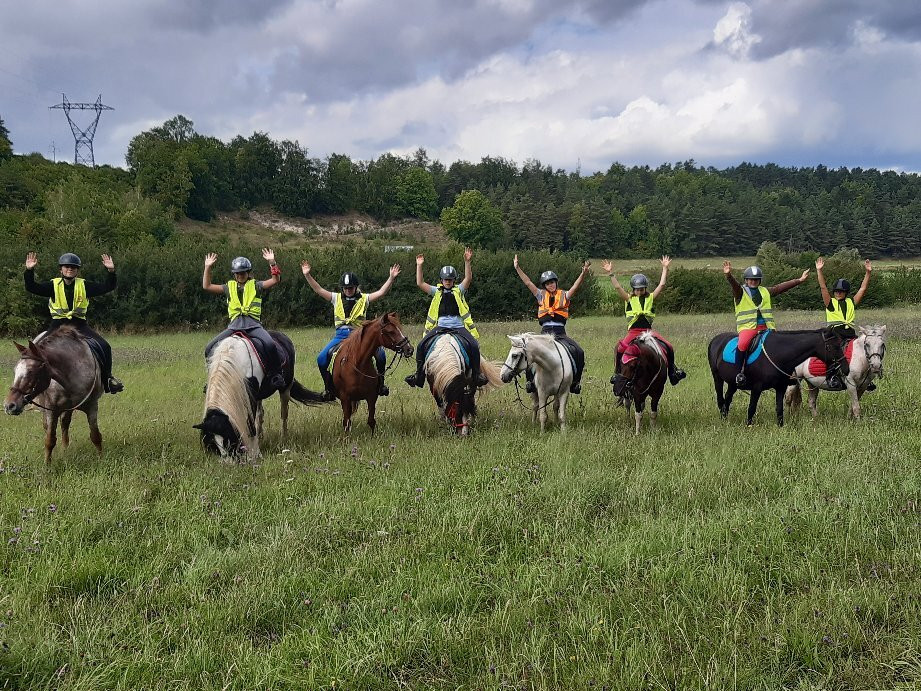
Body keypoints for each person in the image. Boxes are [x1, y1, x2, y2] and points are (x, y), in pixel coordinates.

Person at [23, 251, 123, 393]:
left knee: (105, 346)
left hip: (79, 325)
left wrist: (111, 271)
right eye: (66, 266)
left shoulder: (85, 285)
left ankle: (107, 380)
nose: (70, 269)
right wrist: (29, 270)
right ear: (61, 269)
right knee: (35, 350)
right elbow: (31, 287)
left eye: (73, 267)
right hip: (57, 325)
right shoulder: (53, 285)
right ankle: (29, 384)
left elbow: (108, 286)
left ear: (77, 270)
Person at [301, 261, 401, 399]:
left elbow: (381, 292)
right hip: (340, 336)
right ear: (342, 288)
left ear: (355, 287)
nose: (348, 290)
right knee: (322, 359)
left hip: (360, 335)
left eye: (351, 288)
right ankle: (329, 389)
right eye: (346, 288)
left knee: (381, 356)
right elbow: (318, 289)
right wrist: (307, 275)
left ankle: (381, 385)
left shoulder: (364, 298)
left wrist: (391, 277)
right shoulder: (335, 298)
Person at [202, 248, 285, 391]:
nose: (240, 275)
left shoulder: (256, 285)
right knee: (209, 348)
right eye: (238, 273)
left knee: (270, 345)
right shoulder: (228, 287)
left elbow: (275, 280)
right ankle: (212, 379)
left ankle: (276, 375)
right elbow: (207, 286)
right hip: (234, 326)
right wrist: (207, 267)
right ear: (234, 274)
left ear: (248, 273)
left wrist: (272, 262)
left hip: (253, 325)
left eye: (243, 272)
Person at [404, 247, 487, 389]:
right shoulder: (436, 291)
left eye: (450, 279)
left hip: (458, 327)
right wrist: (419, 265)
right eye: (445, 279)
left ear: (454, 280)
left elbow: (468, 278)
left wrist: (467, 262)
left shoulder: (459, 290)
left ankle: (476, 375)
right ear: (441, 280)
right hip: (440, 327)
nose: (447, 282)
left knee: (474, 345)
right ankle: (419, 375)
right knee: (421, 345)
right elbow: (420, 283)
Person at [724, 261, 810, 387]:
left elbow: (780, 287)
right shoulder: (740, 292)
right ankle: (739, 373)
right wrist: (729, 276)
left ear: (759, 281)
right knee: (742, 344)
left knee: (781, 344)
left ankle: (785, 373)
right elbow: (734, 285)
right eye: (751, 279)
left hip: (766, 328)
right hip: (748, 328)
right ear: (746, 280)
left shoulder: (765, 291)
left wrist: (799, 280)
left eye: (756, 280)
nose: (753, 282)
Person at [512, 255, 590, 394]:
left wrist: (583, 273)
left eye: (552, 282)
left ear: (556, 283)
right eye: (548, 283)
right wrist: (517, 268)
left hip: (560, 333)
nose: (551, 285)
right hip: (544, 333)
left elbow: (575, 286)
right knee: (530, 353)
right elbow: (528, 283)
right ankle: (530, 382)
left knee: (579, 351)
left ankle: (575, 382)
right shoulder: (540, 295)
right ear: (545, 286)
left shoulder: (564, 295)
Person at [603, 256, 686, 386]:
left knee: (669, 346)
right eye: (637, 289)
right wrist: (610, 273)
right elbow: (618, 287)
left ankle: (672, 373)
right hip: (633, 332)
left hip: (648, 332)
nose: (639, 292)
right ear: (633, 289)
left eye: (642, 289)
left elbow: (662, 285)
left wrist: (665, 268)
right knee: (620, 349)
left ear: (645, 289)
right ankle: (617, 373)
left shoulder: (651, 298)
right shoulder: (629, 299)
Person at [815, 256, 873, 390]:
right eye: (836, 291)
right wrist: (819, 271)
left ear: (845, 293)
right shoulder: (830, 303)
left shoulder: (851, 302)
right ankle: (832, 376)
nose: (838, 293)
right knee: (834, 353)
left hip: (850, 333)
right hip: (834, 333)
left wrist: (868, 272)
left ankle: (866, 378)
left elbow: (863, 289)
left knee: (865, 350)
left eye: (841, 291)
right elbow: (823, 288)